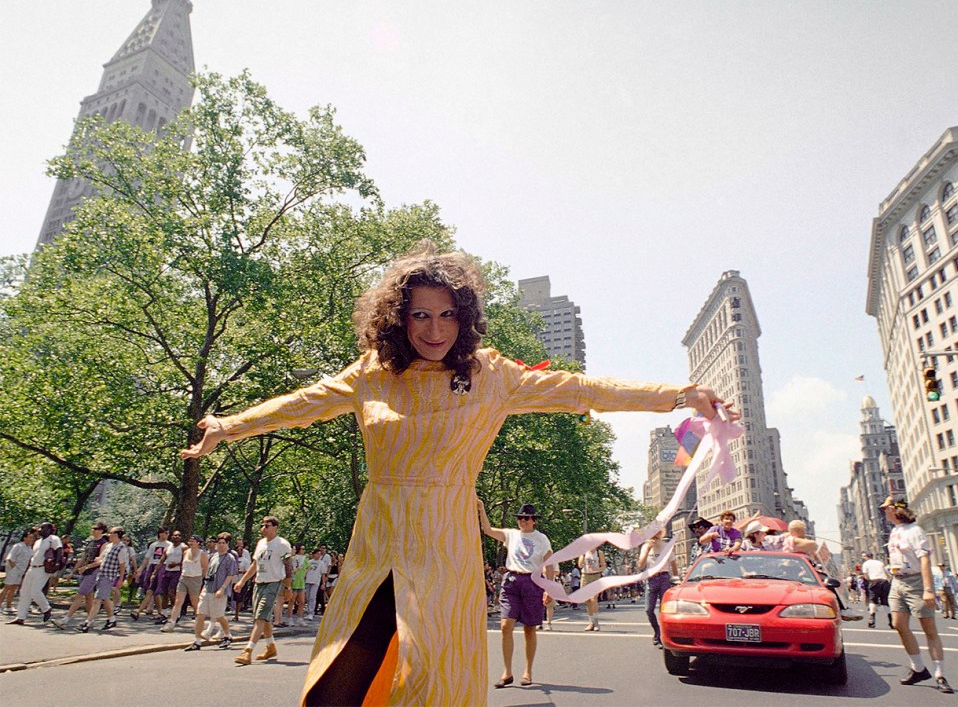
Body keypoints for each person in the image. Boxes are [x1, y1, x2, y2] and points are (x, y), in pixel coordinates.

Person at [179, 243, 732, 706]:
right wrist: (227, 425)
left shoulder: (492, 375)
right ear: (398, 318)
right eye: (420, 314)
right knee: (341, 674)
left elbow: (580, 390)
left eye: (447, 314)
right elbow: (302, 403)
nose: (435, 328)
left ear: (464, 317)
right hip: (377, 543)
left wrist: (678, 397)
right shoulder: (374, 374)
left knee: (432, 673)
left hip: (444, 547)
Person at [882, 496, 953, 694]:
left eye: (887, 508)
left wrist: (928, 589)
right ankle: (918, 668)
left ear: (897, 510)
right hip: (898, 581)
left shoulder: (915, 531)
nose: (884, 511)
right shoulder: (895, 531)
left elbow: (924, 560)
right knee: (898, 624)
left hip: (916, 582)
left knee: (929, 629)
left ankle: (940, 674)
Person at [478, 501, 553, 688]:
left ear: (534, 520)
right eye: (520, 518)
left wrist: (548, 588)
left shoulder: (542, 539)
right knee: (506, 625)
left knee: (529, 629)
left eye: (527, 518)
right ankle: (507, 672)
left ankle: (527, 671)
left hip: (532, 582)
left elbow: (549, 564)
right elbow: (487, 529)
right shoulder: (510, 534)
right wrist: (481, 508)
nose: (523, 521)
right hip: (511, 581)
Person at [231, 516, 293, 665]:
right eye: (262, 525)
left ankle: (248, 651)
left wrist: (288, 587)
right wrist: (242, 581)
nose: (264, 528)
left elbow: (288, 566)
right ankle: (270, 647)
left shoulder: (282, 544)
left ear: (275, 527)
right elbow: (254, 565)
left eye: (267, 525)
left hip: (274, 582)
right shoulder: (260, 544)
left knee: (260, 617)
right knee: (263, 618)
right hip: (259, 583)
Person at [185, 532, 237, 651]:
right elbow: (208, 571)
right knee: (200, 613)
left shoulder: (230, 558)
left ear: (228, 544)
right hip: (208, 588)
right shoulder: (214, 556)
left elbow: (230, 575)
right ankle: (197, 641)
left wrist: (222, 588)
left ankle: (227, 635)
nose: (220, 545)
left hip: (219, 590)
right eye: (219, 543)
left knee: (219, 615)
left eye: (223, 543)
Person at [9, 522, 62, 626]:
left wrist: (56, 563)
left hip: (43, 569)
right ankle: (20, 617)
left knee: (35, 592)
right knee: (24, 592)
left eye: (43, 528)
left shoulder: (53, 539)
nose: (39, 530)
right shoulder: (38, 541)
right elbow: (33, 556)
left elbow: (59, 551)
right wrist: (27, 570)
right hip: (32, 568)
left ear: (50, 530)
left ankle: (46, 609)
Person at [57, 523, 108, 629]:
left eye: (95, 528)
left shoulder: (104, 544)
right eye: (92, 528)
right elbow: (83, 558)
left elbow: (101, 561)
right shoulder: (91, 542)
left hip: (94, 572)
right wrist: (73, 571)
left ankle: (65, 620)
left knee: (79, 595)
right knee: (88, 597)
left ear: (101, 531)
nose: (93, 530)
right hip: (85, 572)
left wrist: (87, 567)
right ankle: (90, 621)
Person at [78, 526, 128, 632]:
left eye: (112, 533)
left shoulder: (121, 548)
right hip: (100, 575)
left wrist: (120, 579)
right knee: (104, 598)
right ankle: (112, 619)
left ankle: (87, 623)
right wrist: (87, 566)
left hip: (109, 576)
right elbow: (101, 560)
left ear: (117, 534)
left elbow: (122, 565)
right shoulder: (109, 546)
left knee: (97, 600)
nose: (109, 535)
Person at [637, 531, 678, 647]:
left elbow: (674, 564)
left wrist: (676, 579)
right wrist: (647, 550)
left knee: (664, 609)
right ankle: (657, 631)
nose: (654, 536)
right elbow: (640, 565)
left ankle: (663, 636)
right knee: (648, 609)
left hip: (664, 577)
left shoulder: (666, 546)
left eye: (657, 533)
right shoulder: (645, 546)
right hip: (651, 579)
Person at [161, 535, 209, 632]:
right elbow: (183, 565)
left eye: (193, 541)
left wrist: (202, 580)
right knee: (178, 601)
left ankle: (199, 622)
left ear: (198, 543)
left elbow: (206, 569)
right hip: (184, 578)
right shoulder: (186, 552)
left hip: (195, 578)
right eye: (190, 541)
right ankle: (171, 623)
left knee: (194, 602)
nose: (191, 542)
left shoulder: (202, 554)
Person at [132, 528, 170, 620]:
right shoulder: (154, 545)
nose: (167, 534)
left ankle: (141, 611)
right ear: (160, 534)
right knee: (150, 591)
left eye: (168, 533)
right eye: (165, 532)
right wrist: (140, 569)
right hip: (153, 567)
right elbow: (147, 558)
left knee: (157, 592)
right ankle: (142, 612)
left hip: (164, 567)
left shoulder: (170, 545)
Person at [3, 529, 36, 615]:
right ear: (24, 538)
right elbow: (10, 558)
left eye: (33, 538)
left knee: (13, 588)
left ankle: (8, 606)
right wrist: (14, 569)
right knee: (7, 587)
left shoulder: (29, 548)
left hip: (21, 571)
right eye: (30, 537)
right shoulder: (18, 546)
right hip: (13, 570)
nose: (32, 539)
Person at [578, 546, 607, 631]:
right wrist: (582, 556)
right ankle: (591, 622)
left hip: (595, 576)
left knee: (593, 599)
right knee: (587, 600)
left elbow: (603, 566)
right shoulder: (584, 552)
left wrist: (597, 569)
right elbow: (580, 565)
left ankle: (596, 622)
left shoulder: (599, 553)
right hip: (585, 576)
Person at [861, 551, 890, 629]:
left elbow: (866, 575)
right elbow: (887, 573)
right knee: (885, 601)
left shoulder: (865, 564)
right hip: (884, 581)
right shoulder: (879, 562)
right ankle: (891, 620)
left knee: (873, 600)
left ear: (866, 556)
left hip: (874, 581)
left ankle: (872, 619)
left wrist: (870, 581)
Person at [288, 544, 308, 626]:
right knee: (292, 600)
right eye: (302, 548)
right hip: (294, 581)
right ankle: (289, 618)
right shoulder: (293, 558)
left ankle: (300, 618)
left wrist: (304, 574)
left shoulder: (305, 559)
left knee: (302, 601)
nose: (303, 550)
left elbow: (308, 567)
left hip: (301, 582)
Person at [232, 537, 252, 621]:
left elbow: (248, 570)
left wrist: (241, 572)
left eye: (241, 550)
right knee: (234, 597)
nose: (239, 551)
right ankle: (233, 610)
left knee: (240, 597)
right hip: (234, 580)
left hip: (242, 580)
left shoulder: (245, 560)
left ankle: (237, 614)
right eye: (238, 550)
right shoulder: (232, 560)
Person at [304, 548, 323, 621]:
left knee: (312, 597)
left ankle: (311, 613)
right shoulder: (309, 562)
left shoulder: (321, 563)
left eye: (320, 554)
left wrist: (323, 583)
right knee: (308, 597)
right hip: (308, 580)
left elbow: (323, 573)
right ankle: (308, 611)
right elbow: (305, 570)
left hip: (316, 581)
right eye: (317, 554)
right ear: (314, 554)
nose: (318, 555)